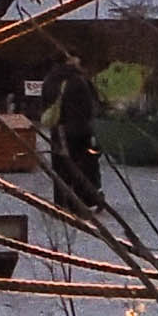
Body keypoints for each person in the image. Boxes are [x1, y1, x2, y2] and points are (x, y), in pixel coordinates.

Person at [48, 55, 104, 217]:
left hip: (58, 129)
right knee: (83, 164)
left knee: (60, 165)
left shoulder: (51, 79)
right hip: (79, 130)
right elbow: (90, 105)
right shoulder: (79, 81)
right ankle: (82, 200)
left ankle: (61, 201)